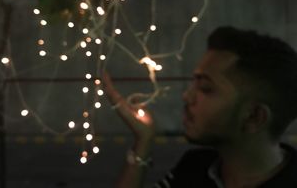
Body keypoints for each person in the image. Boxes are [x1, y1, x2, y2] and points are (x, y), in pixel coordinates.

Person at [102, 26, 297, 188]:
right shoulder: (196, 167)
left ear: (255, 117)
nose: (187, 96)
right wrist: (143, 140)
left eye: (206, 89)